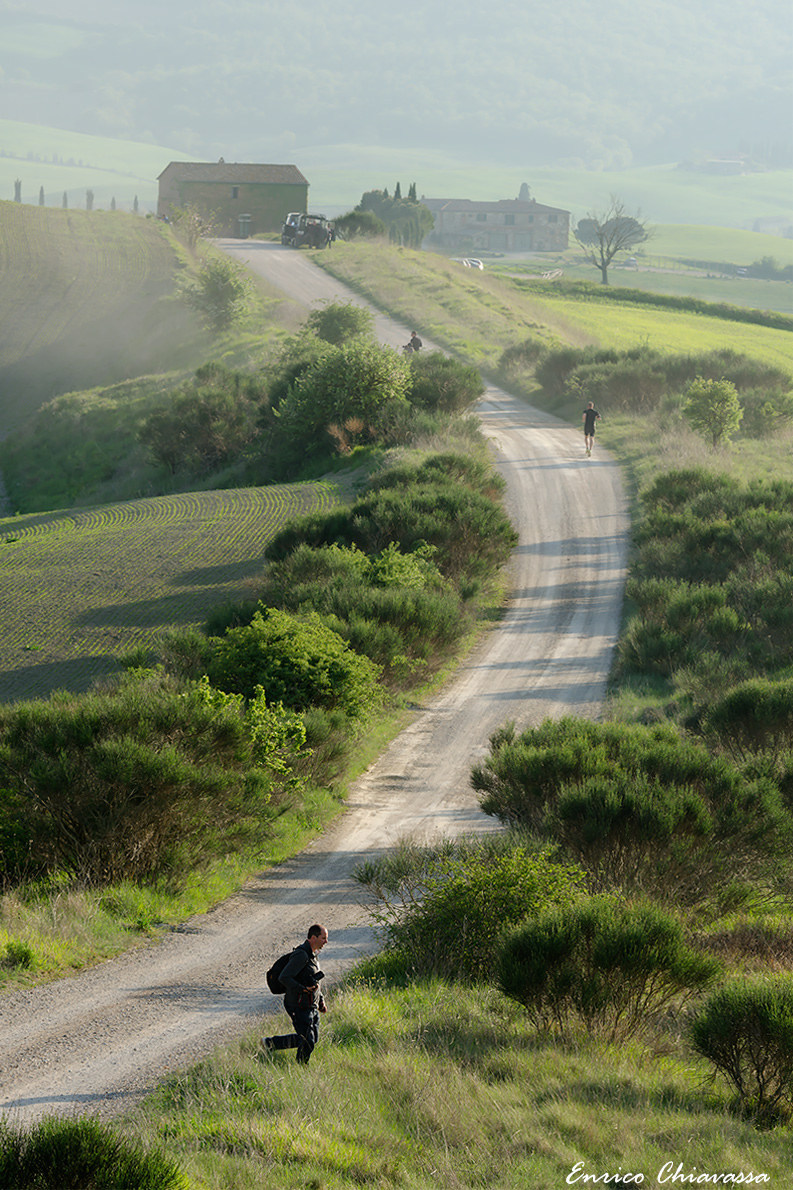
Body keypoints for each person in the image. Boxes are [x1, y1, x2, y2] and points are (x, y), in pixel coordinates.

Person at [260, 924, 328, 1064]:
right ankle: (301, 1066)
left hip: (311, 1005)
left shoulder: (313, 955)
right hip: (298, 1005)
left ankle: (270, 1044)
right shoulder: (301, 955)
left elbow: (314, 981)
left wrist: (321, 1001)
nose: (326, 941)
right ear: (313, 938)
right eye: (323, 938)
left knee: (312, 1039)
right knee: (307, 1040)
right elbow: (284, 977)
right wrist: (302, 989)